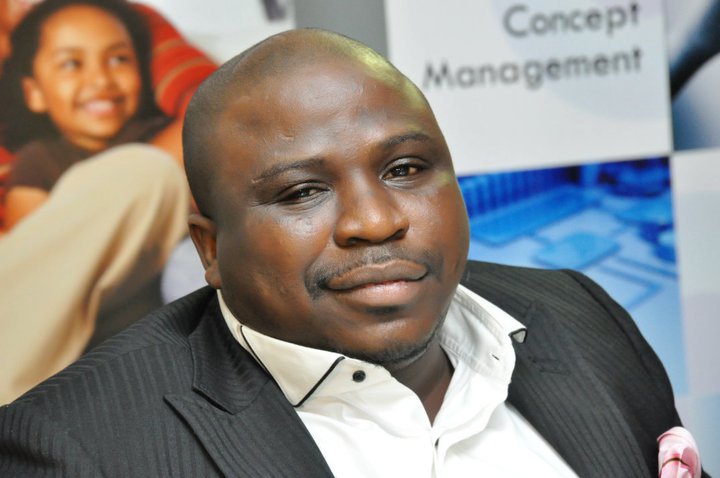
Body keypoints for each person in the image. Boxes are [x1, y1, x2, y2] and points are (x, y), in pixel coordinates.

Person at [0, 28, 707, 477]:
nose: (375, 221)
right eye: (302, 191)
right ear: (210, 249)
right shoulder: (73, 448)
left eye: (404, 169)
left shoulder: (578, 312)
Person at [0, 0, 191, 403]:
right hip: (71, 318)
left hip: (142, 300)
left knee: (148, 170)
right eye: (72, 64)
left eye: (119, 59)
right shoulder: (39, 159)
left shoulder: (162, 140)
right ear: (34, 93)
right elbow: (35, 253)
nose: (100, 79)